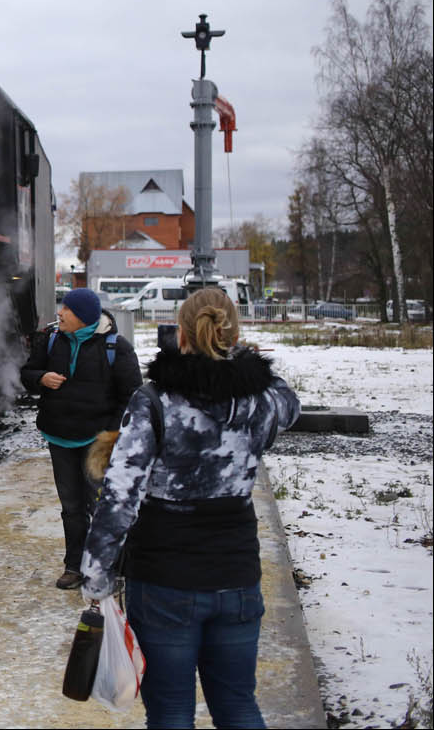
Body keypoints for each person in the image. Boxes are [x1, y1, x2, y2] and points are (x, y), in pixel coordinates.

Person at [79, 287, 301, 728]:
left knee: (171, 712)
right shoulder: (258, 401)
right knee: (238, 706)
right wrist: (239, 359)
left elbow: (121, 495)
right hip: (237, 579)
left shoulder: (155, 402)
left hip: (165, 583)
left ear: (179, 333)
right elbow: (289, 403)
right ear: (231, 333)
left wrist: (96, 576)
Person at [20, 286, 142, 589]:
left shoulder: (117, 348)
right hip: (59, 438)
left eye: (66, 309)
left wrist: (110, 436)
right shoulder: (49, 341)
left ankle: (113, 566)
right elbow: (27, 374)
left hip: (97, 443)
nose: (59, 313)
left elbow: (132, 397)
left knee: (103, 506)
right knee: (71, 507)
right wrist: (40, 378)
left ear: (84, 317)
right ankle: (74, 566)